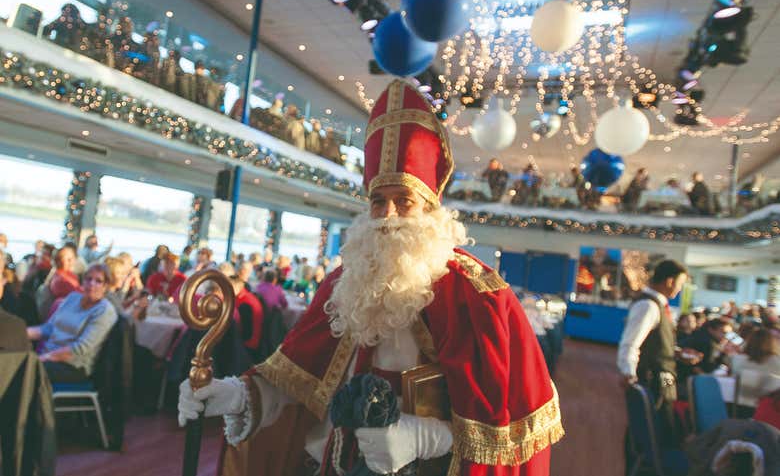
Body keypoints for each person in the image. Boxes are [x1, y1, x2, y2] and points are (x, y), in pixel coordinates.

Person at [178, 80, 563, 476]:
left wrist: (425, 436)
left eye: (404, 201)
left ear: (430, 210)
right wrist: (239, 394)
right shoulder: (345, 282)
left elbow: (503, 433)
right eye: (378, 201)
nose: (388, 216)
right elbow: (300, 382)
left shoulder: (477, 295)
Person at [617, 259, 698, 446]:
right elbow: (630, 343)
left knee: (658, 430)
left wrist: (675, 352)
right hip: (654, 379)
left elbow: (654, 342)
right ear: (669, 281)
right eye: (679, 284)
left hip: (664, 379)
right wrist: (628, 373)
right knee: (652, 433)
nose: (679, 289)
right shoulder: (648, 306)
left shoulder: (659, 306)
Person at [26, 263, 117, 383]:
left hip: (73, 366)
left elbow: (79, 349)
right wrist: (21, 333)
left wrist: (44, 358)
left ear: (106, 286)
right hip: (48, 357)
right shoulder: (72, 298)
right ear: (83, 281)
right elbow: (49, 328)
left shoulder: (104, 310)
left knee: (25, 369)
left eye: (98, 281)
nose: (91, 284)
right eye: (88, 279)